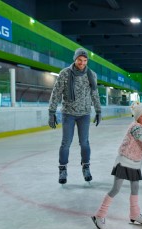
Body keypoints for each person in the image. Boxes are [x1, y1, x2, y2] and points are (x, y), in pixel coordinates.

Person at [91, 102, 142, 229]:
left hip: (135, 163)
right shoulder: (135, 128)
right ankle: (99, 215)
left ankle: (134, 214)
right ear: (136, 117)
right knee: (116, 189)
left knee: (135, 188)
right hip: (124, 161)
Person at [48, 48, 102, 185]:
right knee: (66, 143)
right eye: (80, 60)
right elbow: (56, 93)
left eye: (85, 60)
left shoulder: (92, 75)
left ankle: (86, 167)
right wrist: (52, 112)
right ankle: (62, 170)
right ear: (75, 59)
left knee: (84, 142)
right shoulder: (65, 73)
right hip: (68, 113)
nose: (82, 63)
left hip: (84, 114)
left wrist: (98, 111)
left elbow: (94, 94)